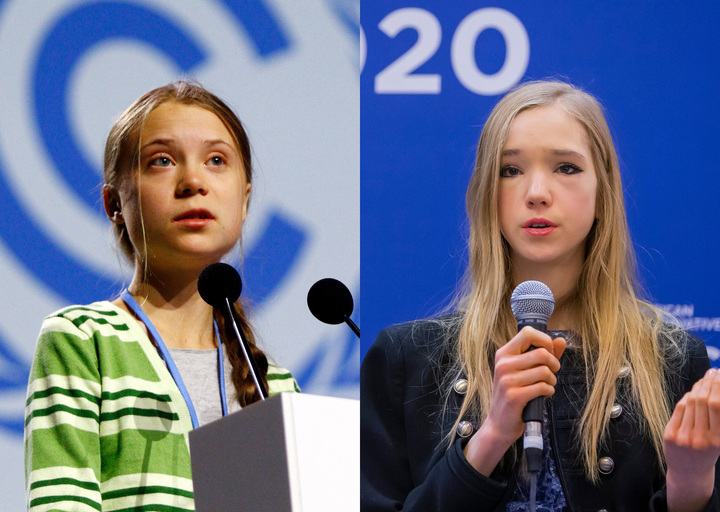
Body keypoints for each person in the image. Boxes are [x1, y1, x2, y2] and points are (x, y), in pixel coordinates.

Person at [361, 81, 720, 511]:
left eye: (566, 168)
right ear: (485, 196)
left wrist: (692, 482)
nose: (536, 193)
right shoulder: (405, 359)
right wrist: (489, 437)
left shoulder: (673, 361)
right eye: (510, 170)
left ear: (603, 192)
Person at [24, 81, 299, 511]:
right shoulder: (83, 341)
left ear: (244, 199)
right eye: (162, 161)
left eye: (216, 160)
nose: (193, 181)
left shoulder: (275, 389)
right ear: (114, 202)